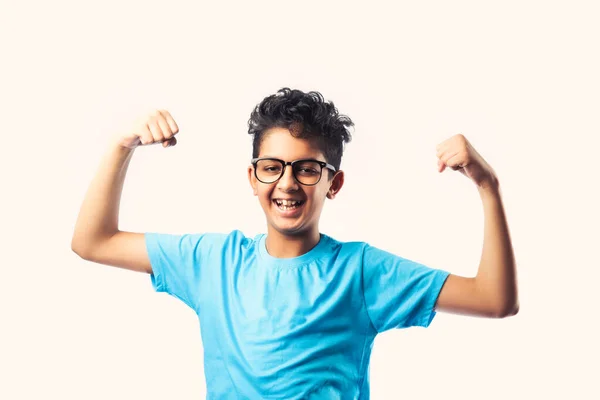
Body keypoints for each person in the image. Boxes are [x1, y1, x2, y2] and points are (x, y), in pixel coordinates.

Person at [71, 87, 519, 399]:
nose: (287, 182)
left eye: (307, 168)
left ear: (334, 182)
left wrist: (488, 186)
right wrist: (121, 144)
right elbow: (94, 241)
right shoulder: (212, 261)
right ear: (253, 177)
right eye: (272, 166)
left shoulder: (360, 272)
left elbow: (494, 298)